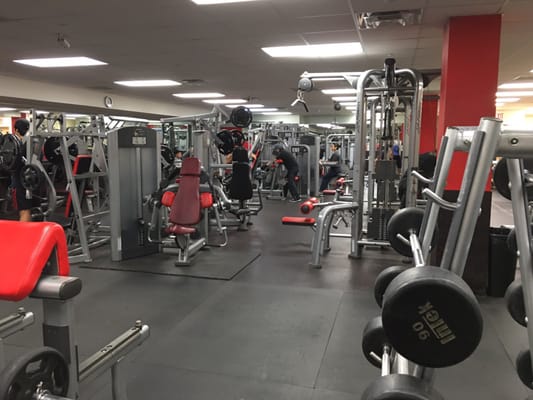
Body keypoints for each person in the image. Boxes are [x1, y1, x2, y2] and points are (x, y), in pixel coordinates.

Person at [10, 118, 31, 222]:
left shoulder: (17, 147)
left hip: (20, 183)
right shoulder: (34, 143)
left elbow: (12, 165)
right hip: (33, 182)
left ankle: (24, 236)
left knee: (24, 211)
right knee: (31, 210)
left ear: (16, 130)